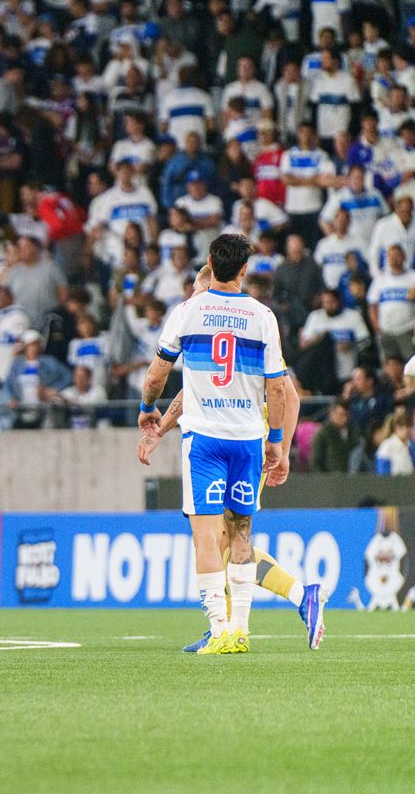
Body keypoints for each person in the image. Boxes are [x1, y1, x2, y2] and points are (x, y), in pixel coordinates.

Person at [137, 265, 325, 651]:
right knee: (222, 541)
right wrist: (159, 432)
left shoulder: (245, 321)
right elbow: (192, 392)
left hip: (242, 442)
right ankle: (232, 628)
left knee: (222, 540)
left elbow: (289, 395)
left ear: (212, 288)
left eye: (197, 288)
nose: (192, 294)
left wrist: (282, 448)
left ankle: (294, 598)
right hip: (224, 439)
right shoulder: (210, 325)